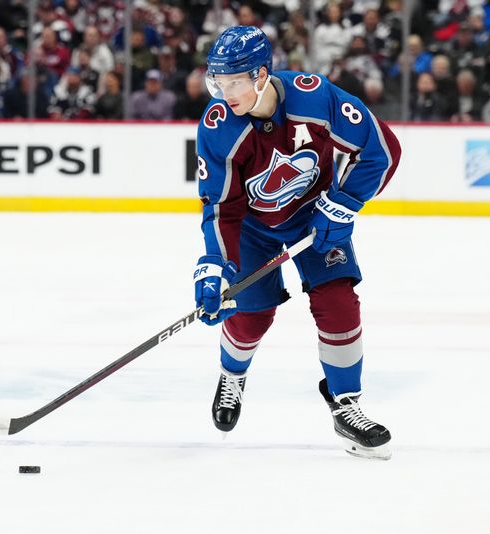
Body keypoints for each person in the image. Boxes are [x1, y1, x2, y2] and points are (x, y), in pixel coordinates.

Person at [194, 26, 401, 459]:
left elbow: (382, 149)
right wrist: (213, 265)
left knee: (339, 300)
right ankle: (233, 374)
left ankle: (347, 405)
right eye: (219, 81)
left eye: (234, 82)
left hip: (315, 219)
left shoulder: (315, 97)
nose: (224, 93)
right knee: (250, 316)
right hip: (253, 230)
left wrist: (342, 205)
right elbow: (220, 208)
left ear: (261, 75)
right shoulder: (218, 128)